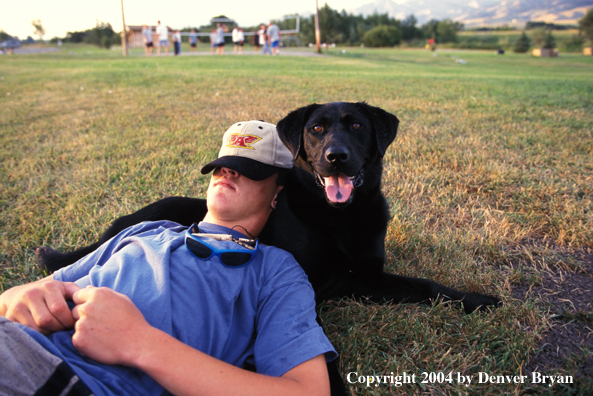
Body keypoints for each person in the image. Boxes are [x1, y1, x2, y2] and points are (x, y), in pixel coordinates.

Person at [0, 120, 336, 396]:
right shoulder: (147, 230)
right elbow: (27, 293)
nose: (226, 173)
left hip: (67, 380)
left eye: (246, 169)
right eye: (222, 166)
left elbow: (308, 390)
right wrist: (18, 295)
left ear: (277, 194)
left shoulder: (274, 270)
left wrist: (140, 343)